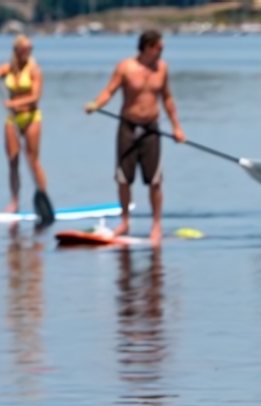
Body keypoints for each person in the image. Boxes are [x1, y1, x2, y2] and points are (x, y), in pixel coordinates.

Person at [85, 30, 186, 245]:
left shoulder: (162, 68)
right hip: (128, 127)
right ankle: (125, 221)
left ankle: (156, 225)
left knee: (155, 180)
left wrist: (177, 128)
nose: (161, 52)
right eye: (159, 48)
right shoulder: (126, 67)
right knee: (123, 178)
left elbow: (167, 98)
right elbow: (109, 91)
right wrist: (95, 105)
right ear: (147, 47)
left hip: (151, 129)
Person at [0, 36, 51, 222]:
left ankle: (43, 198)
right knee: (13, 161)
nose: (28, 52)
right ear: (17, 50)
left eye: (30, 49)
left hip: (31, 116)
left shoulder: (34, 69)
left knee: (32, 160)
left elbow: (35, 97)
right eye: (25, 49)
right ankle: (14, 201)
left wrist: (14, 102)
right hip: (13, 118)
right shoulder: (7, 68)